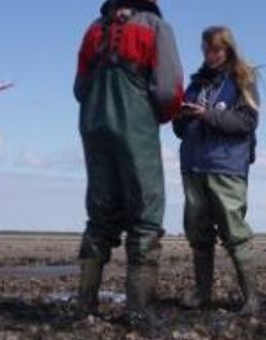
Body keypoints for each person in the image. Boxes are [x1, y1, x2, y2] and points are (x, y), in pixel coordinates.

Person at [73, 0, 184, 325]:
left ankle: (85, 305)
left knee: (100, 213)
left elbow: (79, 87)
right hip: (135, 126)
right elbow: (167, 90)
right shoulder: (155, 26)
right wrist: (159, 116)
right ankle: (138, 310)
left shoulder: (94, 28)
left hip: (93, 124)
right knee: (145, 214)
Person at [173, 26, 261, 315]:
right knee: (198, 233)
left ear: (228, 49)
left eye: (216, 49)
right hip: (194, 165)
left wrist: (207, 115)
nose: (210, 55)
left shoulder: (242, 80)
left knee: (235, 233)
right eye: (206, 49)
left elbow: (246, 123)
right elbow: (179, 130)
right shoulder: (196, 84)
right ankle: (202, 293)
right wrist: (182, 116)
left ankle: (251, 298)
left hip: (226, 168)